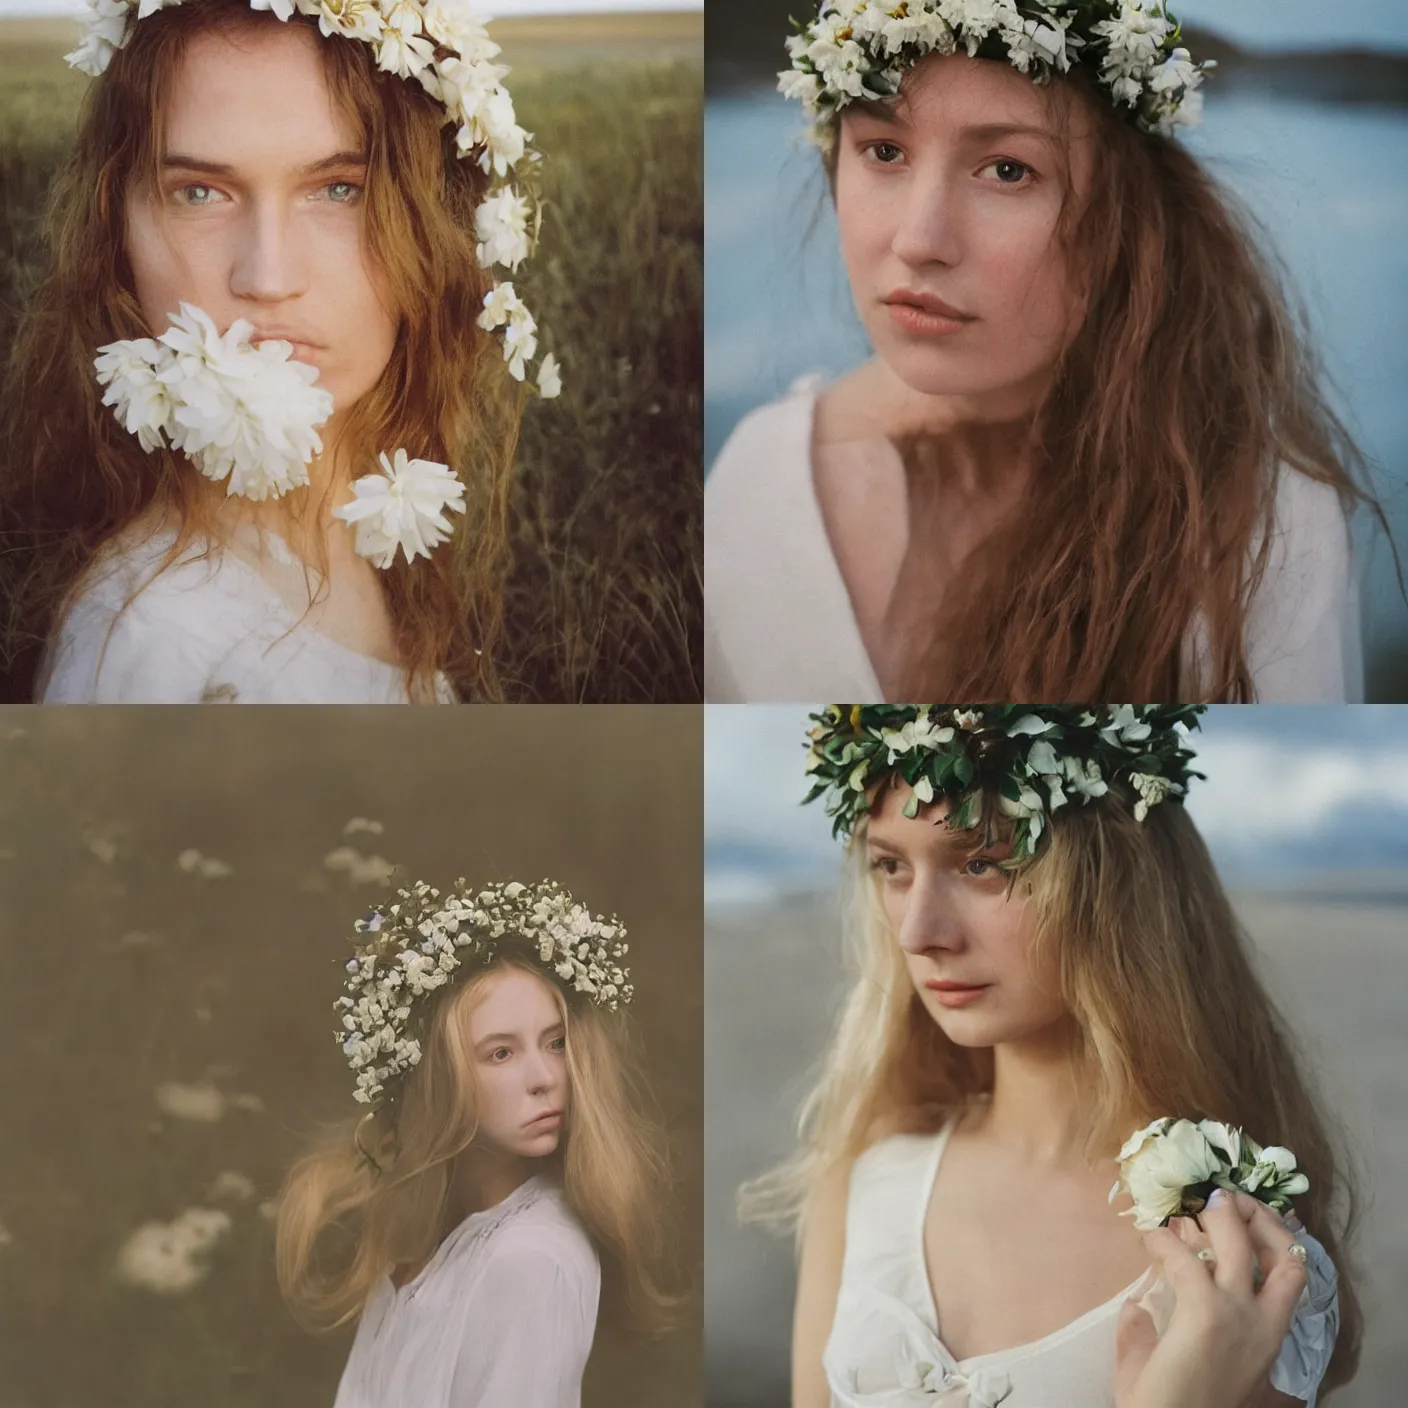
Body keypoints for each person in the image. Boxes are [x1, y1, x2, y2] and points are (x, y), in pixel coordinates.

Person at [705, 1, 1388, 704]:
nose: (918, 239)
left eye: (1007, 170)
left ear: (1126, 219)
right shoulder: (758, 482)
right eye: (884, 151)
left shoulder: (1263, 526)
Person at [742, 705, 1353, 1407]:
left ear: (1118, 883)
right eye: (890, 866)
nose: (918, 932)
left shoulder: (1241, 1250)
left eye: (980, 862)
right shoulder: (865, 1178)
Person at [0, 0, 559, 703]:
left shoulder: (377, 528)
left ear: (434, 227)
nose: (267, 278)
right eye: (200, 193)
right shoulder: (150, 645)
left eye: (337, 190)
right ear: (115, 239)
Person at [276, 878, 675, 1407]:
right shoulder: (414, 1243)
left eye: (556, 1043)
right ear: (437, 1079)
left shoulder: (531, 1260)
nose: (545, 1076)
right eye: (501, 1053)